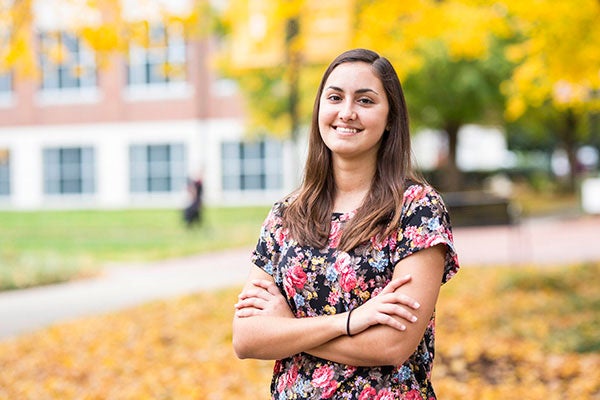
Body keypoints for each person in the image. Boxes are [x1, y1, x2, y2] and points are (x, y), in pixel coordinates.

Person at [233, 48, 459, 399]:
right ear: (320, 109)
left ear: (390, 119)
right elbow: (247, 338)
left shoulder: (415, 209)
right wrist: (350, 322)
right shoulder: (287, 215)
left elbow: (391, 345)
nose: (347, 112)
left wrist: (288, 331)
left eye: (365, 101)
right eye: (335, 97)